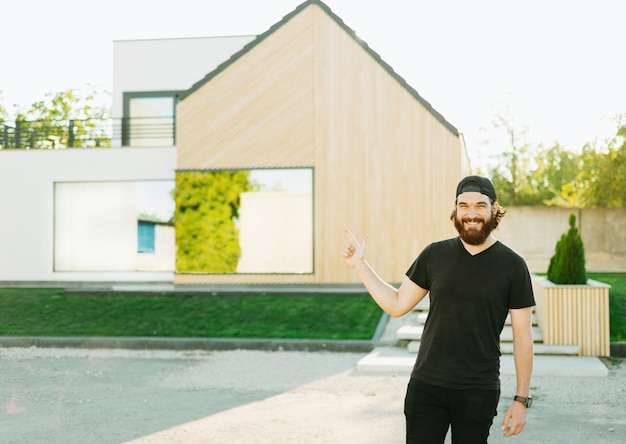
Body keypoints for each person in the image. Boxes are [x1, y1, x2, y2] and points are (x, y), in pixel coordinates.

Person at [342, 175, 535, 443]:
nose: (471, 213)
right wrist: (360, 266)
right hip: (426, 387)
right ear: (455, 210)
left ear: (494, 209)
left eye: (480, 205)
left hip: (478, 390)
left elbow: (523, 337)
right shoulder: (434, 254)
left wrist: (521, 401)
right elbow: (397, 305)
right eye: (463, 205)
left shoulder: (513, 265)